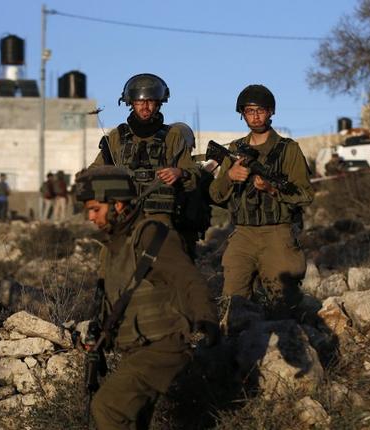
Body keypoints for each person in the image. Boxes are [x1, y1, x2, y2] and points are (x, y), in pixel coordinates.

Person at [74, 165, 218, 429]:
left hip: (164, 345)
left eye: (96, 209)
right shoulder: (113, 246)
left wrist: (206, 318)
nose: (91, 217)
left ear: (117, 205)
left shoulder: (150, 234)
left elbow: (189, 278)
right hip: (137, 348)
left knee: (108, 407)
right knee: (134, 420)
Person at [209, 84, 314, 319]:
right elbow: (215, 195)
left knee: (285, 304)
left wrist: (272, 188)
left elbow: (306, 194)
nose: (255, 116)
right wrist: (229, 176)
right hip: (243, 233)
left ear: (271, 112)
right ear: (242, 114)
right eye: (249, 111)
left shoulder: (289, 150)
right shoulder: (235, 150)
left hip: (277, 232)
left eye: (260, 110)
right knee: (233, 301)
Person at [89, 73, 200, 250]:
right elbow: (95, 172)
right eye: (140, 101)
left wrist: (179, 173)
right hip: (124, 215)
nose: (145, 106)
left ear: (159, 103)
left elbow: (194, 175)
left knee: (165, 263)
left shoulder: (173, 136)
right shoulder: (117, 136)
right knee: (111, 267)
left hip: (160, 217)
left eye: (150, 101)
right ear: (131, 103)